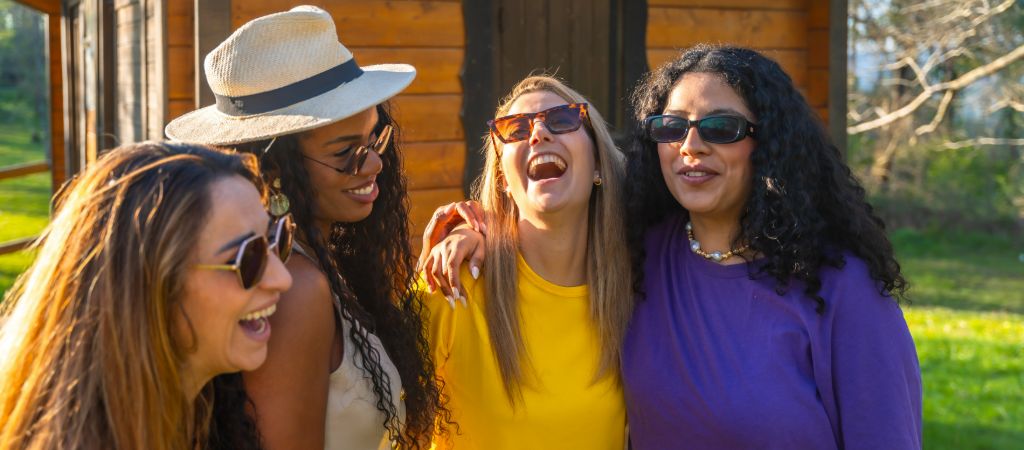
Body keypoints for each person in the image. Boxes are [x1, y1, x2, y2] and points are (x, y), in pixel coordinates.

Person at [421, 45, 923, 449]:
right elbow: (554, 223)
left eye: (720, 128)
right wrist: (475, 225)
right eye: (672, 127)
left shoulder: (842, 290)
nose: (691, 146)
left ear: (767, 145)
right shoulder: (641, 256)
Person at [165, 6, 447, 449]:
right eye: (345, 152)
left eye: (376, 139)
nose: (374, 162)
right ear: (275, 166)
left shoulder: (318, 259)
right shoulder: (295, 288)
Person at [0, 142, 293, 449]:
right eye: (249, 258)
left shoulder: (205, 419)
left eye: (276, 239)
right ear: (149, 282)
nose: (282, 279)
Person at [421, 75, 633, 450]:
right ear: (503, 179)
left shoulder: (635, 291)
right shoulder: (454, 281)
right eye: (515, 129)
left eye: (563, 120)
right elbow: (381, 426)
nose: (537, 135)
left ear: (599, 164)